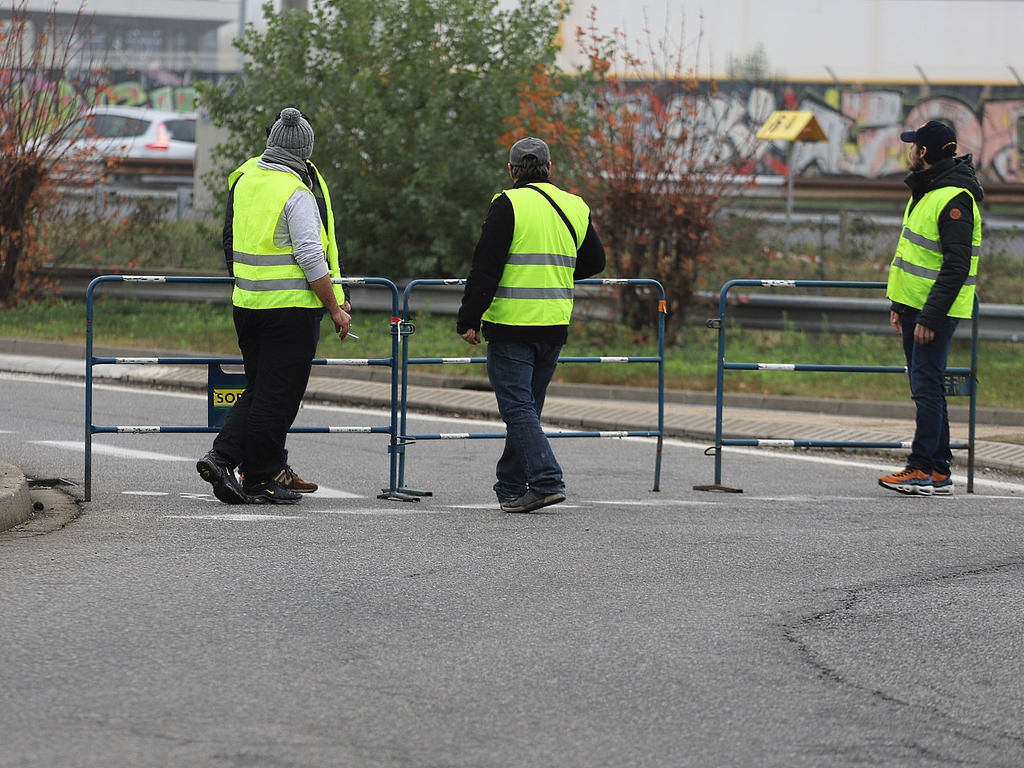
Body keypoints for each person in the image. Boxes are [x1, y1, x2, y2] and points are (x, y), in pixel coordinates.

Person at [197, 107, 351, 504]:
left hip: (247, 304)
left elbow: (231, 239)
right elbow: (311, 256)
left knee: (261, 389)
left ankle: (260, 475)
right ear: (305, 152)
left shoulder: (246, 180)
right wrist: (334, 307)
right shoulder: (295, 192)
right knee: (276, 396)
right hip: (290, 310)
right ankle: (227, 458)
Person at [457, 137, 605, 513]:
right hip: (554, 324)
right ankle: (510, 486)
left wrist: (468, 318)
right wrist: (558, 270)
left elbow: (485, 267)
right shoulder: (574, 205)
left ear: (511, 172)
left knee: (519, 409)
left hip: (512, 325)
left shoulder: (507, 204)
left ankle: (546, 481)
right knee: (526, 410)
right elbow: (595, 262)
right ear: (549, 168)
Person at [878, 120, 983, 496]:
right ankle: (938, 470)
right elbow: (913, 255)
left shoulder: (952, 197)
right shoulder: (928, 190)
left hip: (932, 311)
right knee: (928, 385)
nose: (909, 150)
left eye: (913, 145)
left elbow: (956, 266)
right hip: (915, 307)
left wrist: (930, 316)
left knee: (926, 387)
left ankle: (920, 468)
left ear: (923, 152)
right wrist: (899, 303)